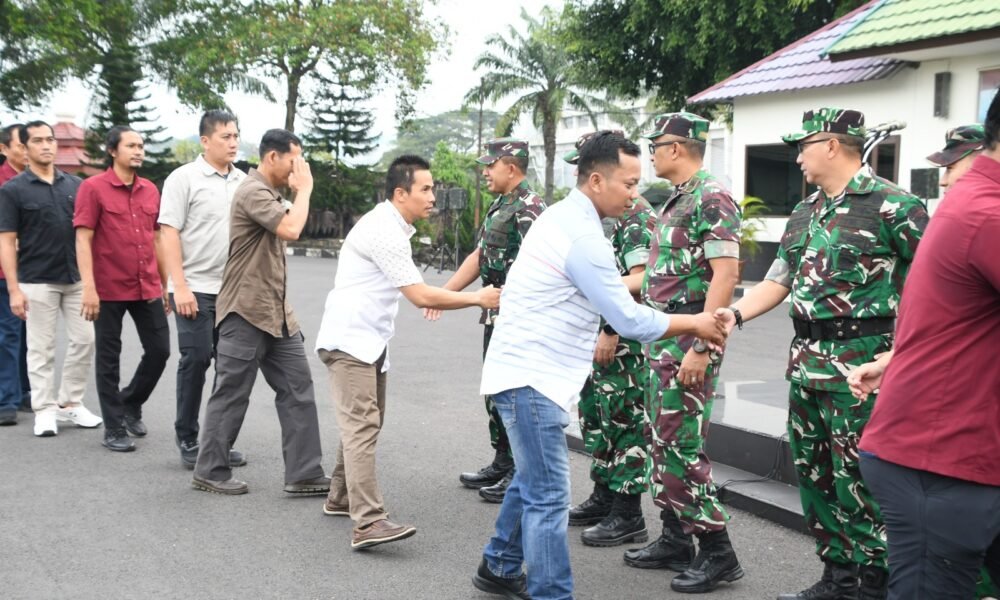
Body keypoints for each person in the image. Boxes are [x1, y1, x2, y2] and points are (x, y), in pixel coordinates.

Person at [473, 131, 729, 600]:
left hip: (524, 373)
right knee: (549, 496)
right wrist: (697, 321)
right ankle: (552, 593)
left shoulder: (562, 218)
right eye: (629, 184)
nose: (635, 195)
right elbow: (627, 317)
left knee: (532, 480)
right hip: (533, 379)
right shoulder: (582, 237)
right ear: (596, 180)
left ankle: (500, 564)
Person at [721, 108, 929, 600]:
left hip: (864, 367)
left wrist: (904, 355)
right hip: (807, 364)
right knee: (815, 476)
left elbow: (936, 284)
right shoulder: (806, 211)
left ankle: (873, 582)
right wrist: (735, 315)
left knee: (861, 476)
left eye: (804, 146)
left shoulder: (895, 206)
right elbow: (779, 280)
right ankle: (838, 575)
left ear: (832, 145)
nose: (797, 158)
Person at [847, 107, 999, 600]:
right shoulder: (987, 213)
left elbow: (951, 316)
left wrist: (891, 361)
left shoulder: (976, 202)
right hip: (942, 459)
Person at [315, 154, 500, 550]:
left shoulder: (393, 227)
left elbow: (418, 290)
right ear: (401, 193)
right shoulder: (383, 230)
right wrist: (477, 298)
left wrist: (455, 296)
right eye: (426, 189)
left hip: (369, 340)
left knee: (367, 422)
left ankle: (340, 496)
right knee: (362, 426)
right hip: (351, 341)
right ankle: (368, 522)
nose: (433, 196)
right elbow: (419, 294)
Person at [621, 113, 743, 595]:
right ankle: (675, 537)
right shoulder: (677, 198)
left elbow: (727, 275)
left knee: (679, 445)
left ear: (677, 148)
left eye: (657, 145)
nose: (651, 154)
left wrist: (702, 345)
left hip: (689, 335)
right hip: (663, 334)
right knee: (660, 441)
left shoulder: (712, 195)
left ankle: (718, 551)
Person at [192, 129, 328, 496]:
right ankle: (210, 470)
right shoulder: (253, 191)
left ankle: (304, 472)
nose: (299, 167)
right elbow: (292, 228)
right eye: (294, 159)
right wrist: (306, 189)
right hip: (245, 310)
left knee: (298, 389)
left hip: (278, 314)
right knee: (232, 391)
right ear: (272, 158)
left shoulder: (271, 194)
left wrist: (298, 191)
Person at [430, 137, 546, 504]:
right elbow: (480, 256)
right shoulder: (502, 204)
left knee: (515, 393)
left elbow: (544, 268)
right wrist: (444, 294)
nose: (484, 172)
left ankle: (518, 469)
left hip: (520, 318)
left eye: (490, 165)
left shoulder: (531, 209)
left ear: (511, 167)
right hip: (494, 312)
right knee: (496, 390)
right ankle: (502, 459)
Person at [561, 131, 657, 549]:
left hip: (622, 340)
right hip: (599, 336)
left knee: (625, 424)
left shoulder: (634, 213)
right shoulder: (599, 215)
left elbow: (640, 279)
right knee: (598, 420)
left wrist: (609, 329)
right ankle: (603, 496)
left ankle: (628, 513)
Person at [0, 120, 102, 437]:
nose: (47, 145)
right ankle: (44, 409)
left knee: (85, 340)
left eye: (51, 139)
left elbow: (88, 235)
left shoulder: (75, 185)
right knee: (40, 349)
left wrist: (91, 282)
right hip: (36, 279)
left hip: (75, 278)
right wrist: (14, 289)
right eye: (39, 141)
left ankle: (70, 403)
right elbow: (5, 240)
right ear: (26, 148)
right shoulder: (13, 190)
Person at [159, 110, 247, 468]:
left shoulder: (243, 181)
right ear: (205, 141)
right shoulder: (184, 178)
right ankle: (188, 437)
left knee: (230, 368)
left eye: (236, 136)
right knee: (196, 360)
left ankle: (217, 442)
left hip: (234, 292)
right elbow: (169, 232)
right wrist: (179, 287)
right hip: (193, 287)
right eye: (226, 136)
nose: (233, 142)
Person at [74, 126, 170, 452]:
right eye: (131, 145)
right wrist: (88, 288)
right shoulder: (93, 188)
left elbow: (157, 238)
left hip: (147, 285)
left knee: (160, 350)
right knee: (108, 358)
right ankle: (114, 428)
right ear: (113, 151)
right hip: (108, 287)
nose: (138, 151)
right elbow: (83, 238)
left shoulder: (149, 191)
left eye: (141, 145)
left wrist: (167, 283)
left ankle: (130, 401)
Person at [0, 122, 31, 425]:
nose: (24, 150)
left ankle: (25, 390)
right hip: (5, 270)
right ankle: (6, 398)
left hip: (35, 269)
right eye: (19, 145)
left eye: (27, 144)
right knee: (9, 333)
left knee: (28, 335)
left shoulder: (36, 180)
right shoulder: (3, 183)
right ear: (4, 149)